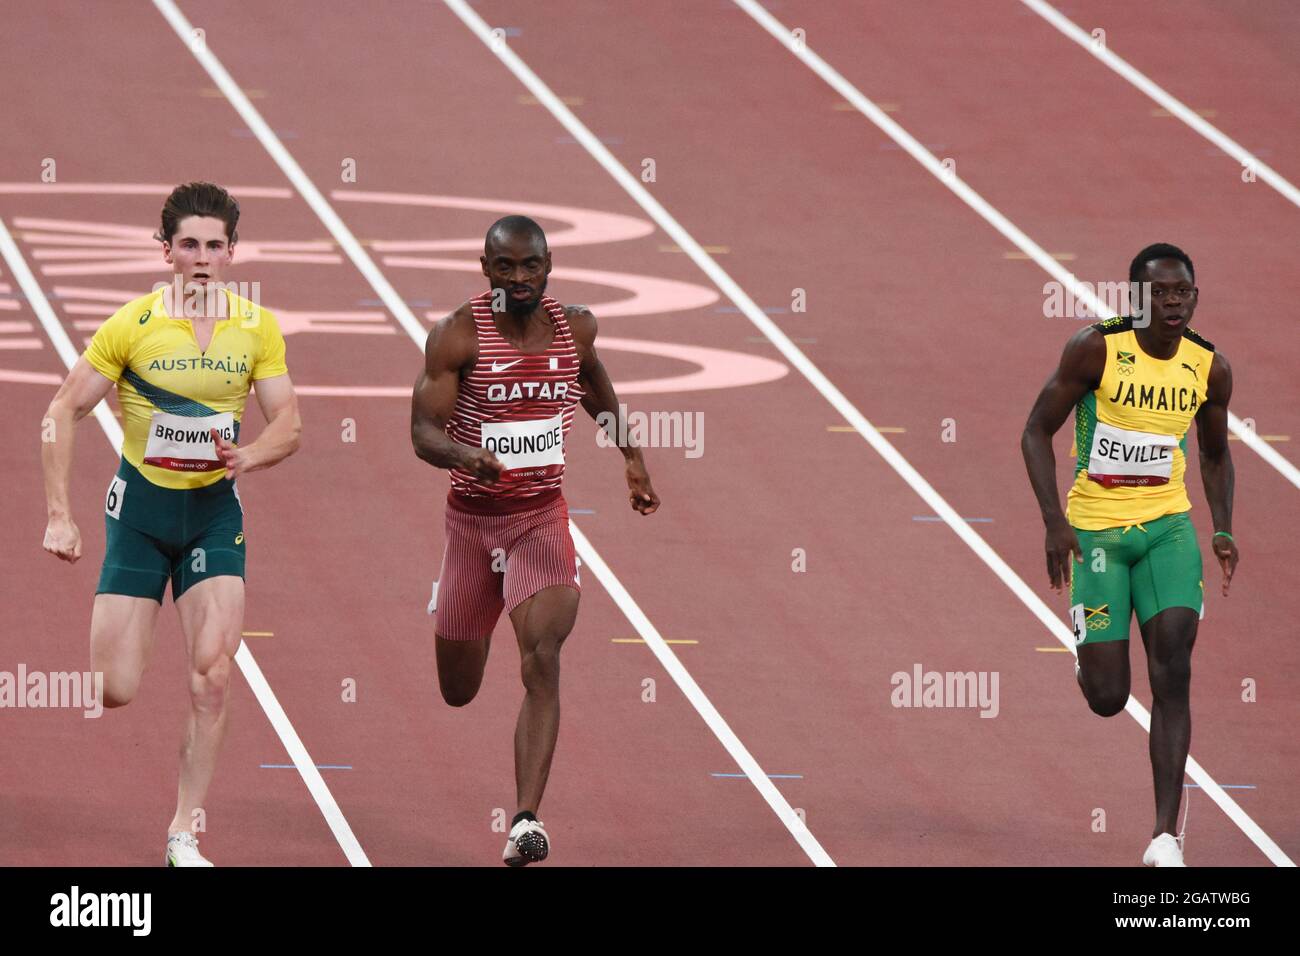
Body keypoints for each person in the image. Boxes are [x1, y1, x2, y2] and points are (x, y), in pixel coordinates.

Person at [41, 182, 301, 866]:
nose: (203, 258)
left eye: (216, 245)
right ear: (167, 252)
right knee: (114, 688)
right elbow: (62, 410)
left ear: (232, 252)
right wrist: (60, 516)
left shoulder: (255, 327)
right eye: (190, 244)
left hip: (214, 517)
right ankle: (124, 631)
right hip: (141, 515)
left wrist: (250, 453)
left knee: (212, 675)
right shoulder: (132, 325)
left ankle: (184, 832)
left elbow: (291, 425)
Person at [411, 215, 659, 865]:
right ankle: (456, 599)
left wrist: (630, 454)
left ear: (548, 266)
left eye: (532, 266)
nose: (520, 278)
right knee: (458, 690)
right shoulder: (456, 338)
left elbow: (593, 379)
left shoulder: (575, 328)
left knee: (542, 655)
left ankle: (525, 822)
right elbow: (421, 433)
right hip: (471, 527)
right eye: (506, 267)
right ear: (485, 268)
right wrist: (466, 454)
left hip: (540, 522)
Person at [1021, 243, 1237, 867]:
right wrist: (1054, 523)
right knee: (1109, 698)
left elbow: (1216, 454)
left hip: (1168, 529)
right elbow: (1036, 429)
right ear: (1138, 298)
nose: (1173, 303)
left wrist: (1221, 528)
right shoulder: (1096, 349)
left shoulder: (1209, 368)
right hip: (1096, 536)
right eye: (1161, 293)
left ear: (1195, 297)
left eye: (1184, 293)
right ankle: (1089, 657)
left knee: (1173, 670)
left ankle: (1164, 837)